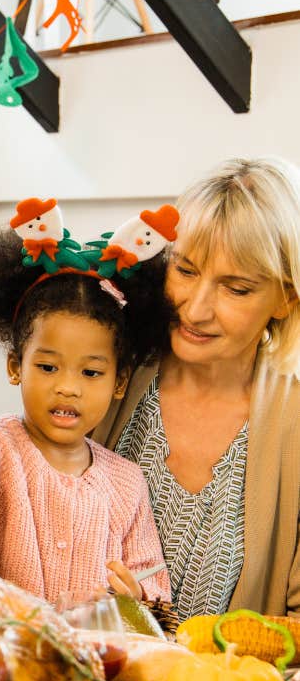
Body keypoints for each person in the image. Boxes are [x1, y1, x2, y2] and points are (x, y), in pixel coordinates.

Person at [0, 199, 172, 606]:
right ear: (16, 365)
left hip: (90, 663)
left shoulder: (127, 483)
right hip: (1, 653)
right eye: (49, 367)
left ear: (120, 381)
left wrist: (138, 594)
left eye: (90, 373)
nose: (68, 388)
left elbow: (155, 584)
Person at [93, 157, 300, 620]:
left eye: (236, 289)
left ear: (286, 298)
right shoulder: (105, 372)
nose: (196, 309)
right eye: (185, 271)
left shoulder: (295, 425)